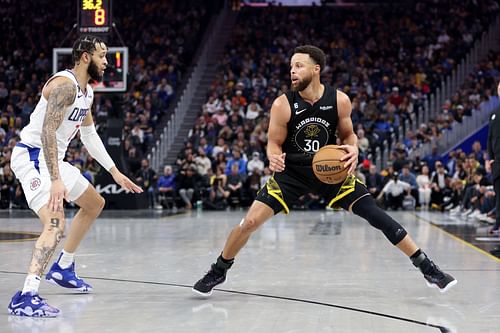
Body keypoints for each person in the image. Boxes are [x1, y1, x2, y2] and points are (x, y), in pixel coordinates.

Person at [192, 45, 456, 296]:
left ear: (316, 69)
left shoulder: (339, 100)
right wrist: (273, 158)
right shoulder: (282, 104)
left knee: (377, 216)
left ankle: (427, 268)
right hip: (292, 173)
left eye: (299, 66)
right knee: (249, 222)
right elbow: (273, 143)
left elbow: (350, 135)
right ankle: (219, 270)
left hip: (331, 171)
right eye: (290, 66)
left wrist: (354, 149)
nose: (292, 71)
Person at [7, 35, 143, 317]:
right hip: (33, 157)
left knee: (94, 203)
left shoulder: (86, 92)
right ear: (84, 57)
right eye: (102, 56)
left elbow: (89, 134)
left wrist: (115, 172)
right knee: (55, 225)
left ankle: (63, 266)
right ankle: (26, 295)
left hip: (53, 160)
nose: (106, 62)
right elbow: (46, 133)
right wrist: (56, 180)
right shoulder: (64, 87)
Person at [486, 82, 500, 235]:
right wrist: (490, 158)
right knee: (499, 194)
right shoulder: (494, 112)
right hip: (497, 161)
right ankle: (498, 224)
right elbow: (489, 137)